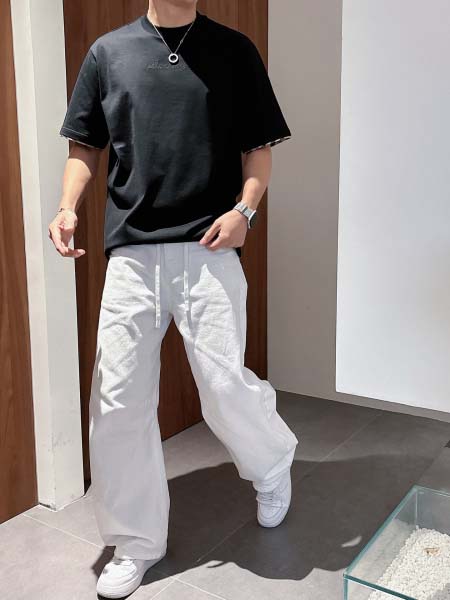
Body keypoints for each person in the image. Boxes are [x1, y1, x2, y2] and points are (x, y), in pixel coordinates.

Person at [49, 0, 299, 597]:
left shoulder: (234, 51)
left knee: (223, 385)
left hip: (209, 246)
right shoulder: (108, 53)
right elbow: (84, 145)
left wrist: (245, 212)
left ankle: (271, 463)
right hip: (132, 254)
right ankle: (136, 540)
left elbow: (259, 147)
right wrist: (66, 207)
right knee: (117, 399)